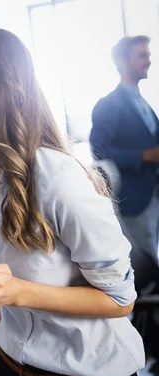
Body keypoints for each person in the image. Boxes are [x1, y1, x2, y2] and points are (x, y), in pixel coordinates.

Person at [0, 28, 144, 376]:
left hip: (87, 373)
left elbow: (120, 300)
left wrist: (19, 292)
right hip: (7, 363)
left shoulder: (58, 179)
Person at [89, 36, 158, 263]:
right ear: (121, 61)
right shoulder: (109, 104)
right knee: (145, 261)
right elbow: (99, 151)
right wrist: (145, 156)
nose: (148, 60)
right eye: (141, 55)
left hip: (153, 192)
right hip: (134, 197)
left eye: (148, 54)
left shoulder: (142, 102)